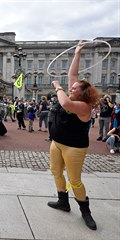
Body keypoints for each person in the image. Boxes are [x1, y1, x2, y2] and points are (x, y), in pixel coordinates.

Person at [48, 41, 100, 230]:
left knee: (75, 180)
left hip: (74, 147)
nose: (71, 88)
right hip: (57, 143)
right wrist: (77, 53)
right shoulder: (73, 95)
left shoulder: (83, 106)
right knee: (55, 171)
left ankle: (86, 211)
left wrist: (58, 87)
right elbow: (72, 74)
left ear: (83, 92)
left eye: (75, 88)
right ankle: (63, 201)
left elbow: (66, 105)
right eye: (71, 87)